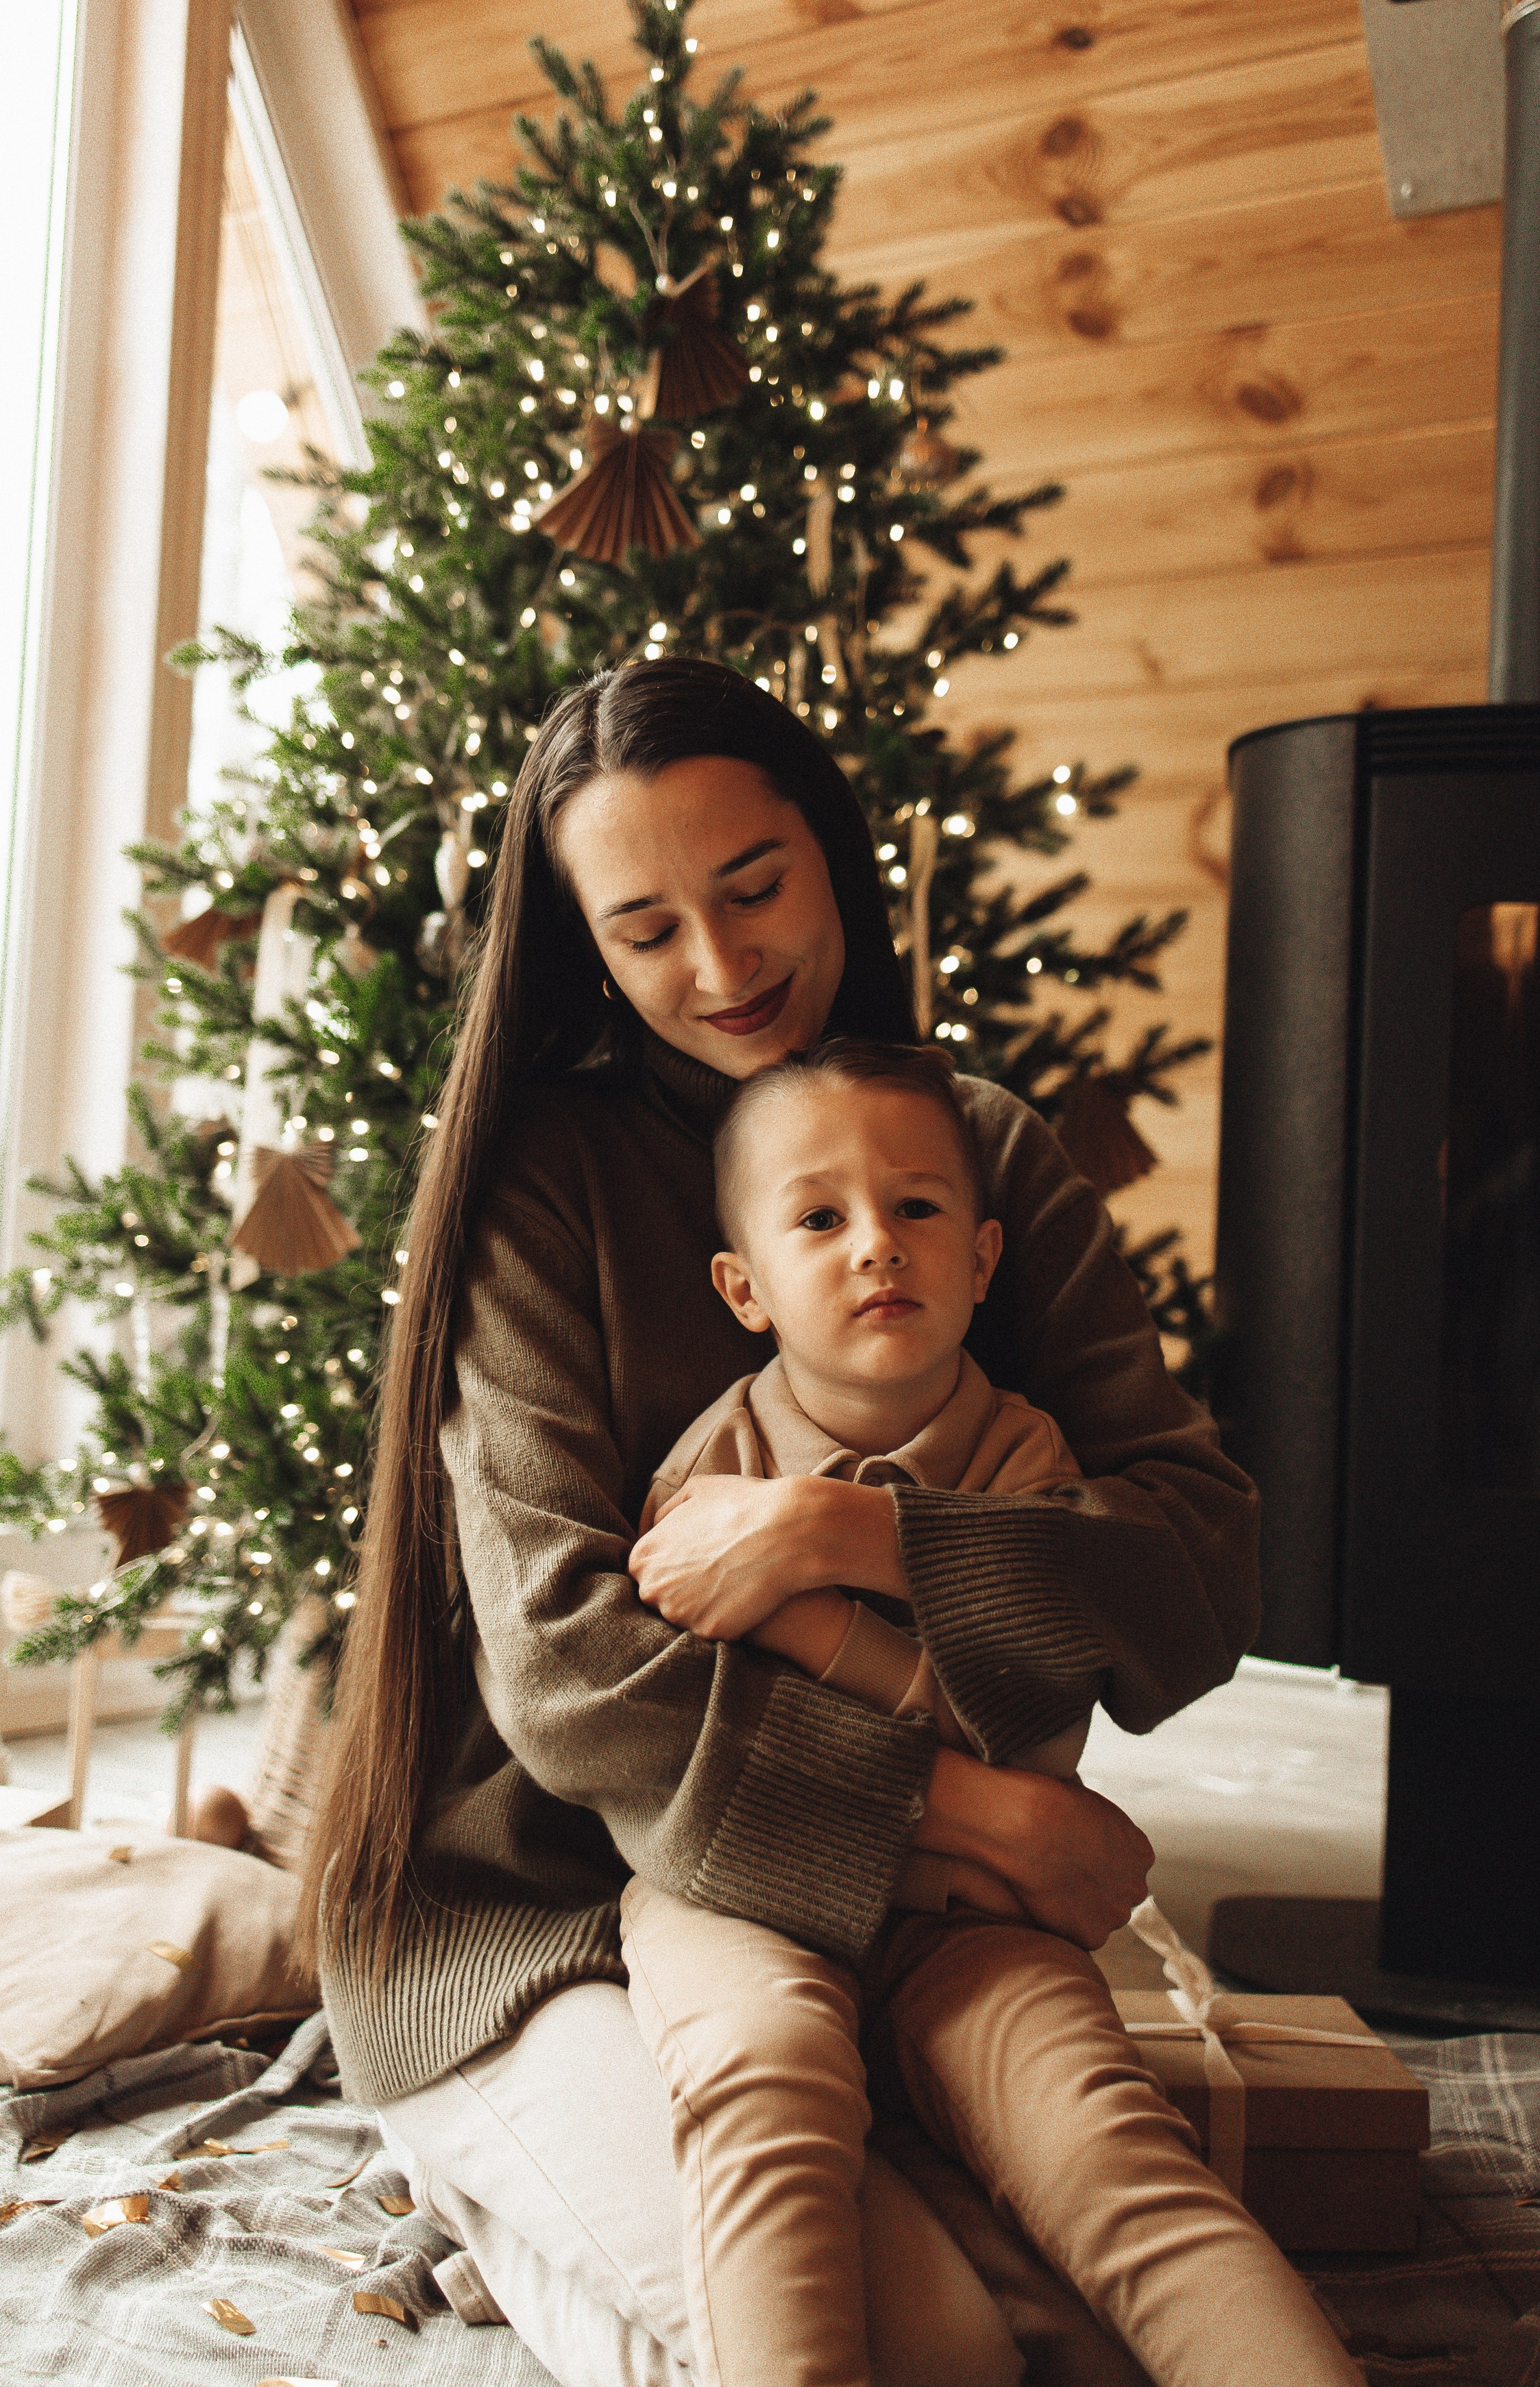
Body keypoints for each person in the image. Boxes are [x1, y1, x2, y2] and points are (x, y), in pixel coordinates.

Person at [304, 655, 1269, 2387]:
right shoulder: (542, 1179)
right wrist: (969, 1815)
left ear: (831, 855)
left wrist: (857, 1542)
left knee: (1093, 2331)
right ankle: (492, 2183)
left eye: (753, 889)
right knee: (945, 2358)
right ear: (583, 947)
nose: (722, 966)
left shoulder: (970, 1155)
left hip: (880, 1931)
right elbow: (566, 1668)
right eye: (647, 926)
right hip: (531, 1922)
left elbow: (1195, 1568)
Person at [620, 1038, 1362, 2387]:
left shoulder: (1024, 1458)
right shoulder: (716, 1467)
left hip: (973, 1911)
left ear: (981, 1257)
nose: (874, 1247)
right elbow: (688, 1723)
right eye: (817, 1218)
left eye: (915, 1208)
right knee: (761, 2087)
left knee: (1103, 2148)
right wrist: (921, 1664)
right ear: (743, 1288)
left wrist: (812, 1607)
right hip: (742, 1888)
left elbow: (1031, 1745)